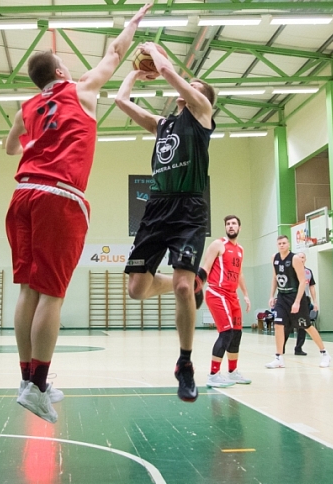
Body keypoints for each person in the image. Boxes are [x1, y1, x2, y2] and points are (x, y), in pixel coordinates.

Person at [4, 3, 152, 423]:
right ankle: (36, 385)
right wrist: (132, 24)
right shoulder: (81, 89)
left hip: (21, 196)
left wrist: (29, 134)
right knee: (51, 293)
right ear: (62, 72)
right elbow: (115, 54)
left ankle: (30, 381)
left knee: (27, 291)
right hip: (58, 197)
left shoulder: (26, 108)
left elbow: (9, 148)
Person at [115, 43, 216, 403]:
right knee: (137, 290)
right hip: (157, 208)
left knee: (184, 288)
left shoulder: (202, 113)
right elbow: (121, 102)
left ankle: (185, 364)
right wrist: (133, 72)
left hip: (189, 208)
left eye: (195, 85)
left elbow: (174, 76)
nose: (189, 88)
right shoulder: (163, 125)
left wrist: (153, 50)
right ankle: (182, 283)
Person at [199, 215, 251, 388]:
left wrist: (245, 295)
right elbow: (205, 267)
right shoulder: (218, 244)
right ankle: (213, 375)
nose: (230, 226)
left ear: (239, 228)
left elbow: (240, 274)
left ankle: (233, 372)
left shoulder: (240, 250)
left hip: (232, 295)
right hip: (216, 292)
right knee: (226, 332)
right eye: (228, 224)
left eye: (234, 223)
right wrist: (197, 287)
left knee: (237, 333)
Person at [266, 235, 331, 369]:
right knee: (278, 325)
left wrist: (296, 302)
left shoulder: (295, 259)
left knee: (306, 326)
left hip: (296, 296)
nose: (282, 245)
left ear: (288, 244)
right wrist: (271, 296)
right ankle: (278, 357)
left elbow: (303, 282)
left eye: (284, 243)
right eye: (279, 243)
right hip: (282, 296)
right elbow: (275, 278)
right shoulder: (274, 258)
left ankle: (324, 353)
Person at [284, 252, 319, 356]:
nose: (301, 259)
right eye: (299, 257)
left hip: (305, 300)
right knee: (287, 325)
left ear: (305, 259)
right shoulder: (290, 271)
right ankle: (281, 348)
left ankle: (298, 348)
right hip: (291, 299)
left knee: (303, 325)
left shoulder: (308, 272)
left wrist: (315, 301)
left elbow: (312, 287)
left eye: (303, 257)